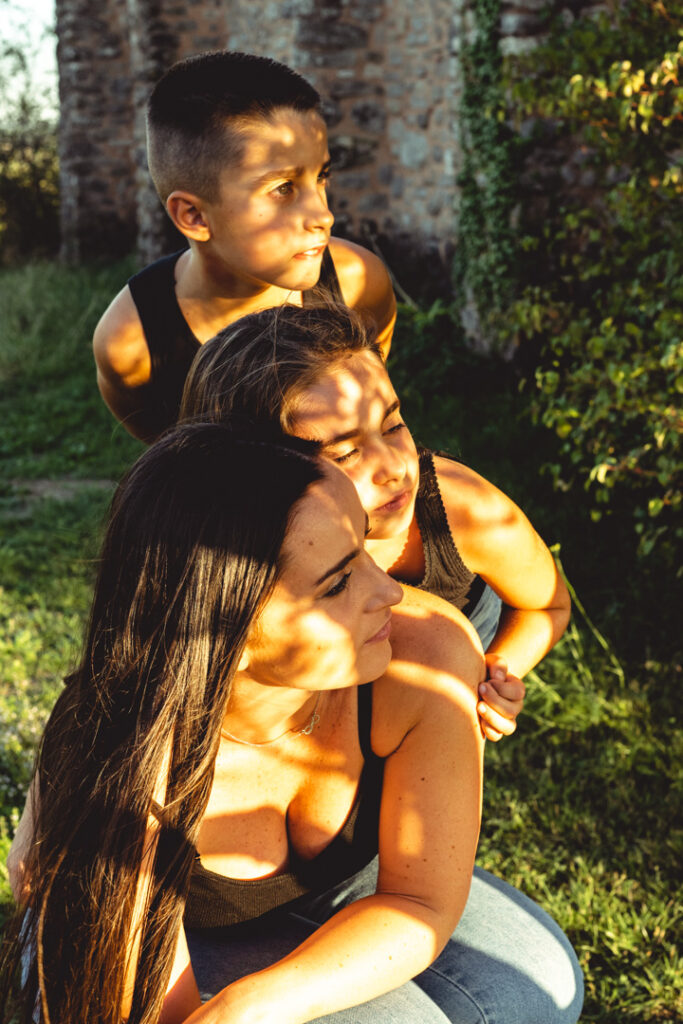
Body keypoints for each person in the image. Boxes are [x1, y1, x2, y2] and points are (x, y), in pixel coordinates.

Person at [2, 424, 583, 1023]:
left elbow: (419, 899)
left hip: (342, 894)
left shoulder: (426, 652)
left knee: (534, 992)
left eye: (363, 547)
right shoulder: (121, 745)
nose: (388, 591)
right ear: (223, 629)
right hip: (152, 936)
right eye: (336, 583)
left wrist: (252, 1003)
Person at [178, 303, 571, 738]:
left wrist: (489, 678)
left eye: (393, 425)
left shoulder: (464, 510)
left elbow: (547, 603)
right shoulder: (233, 561)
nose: (394, 468)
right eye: (345, 453)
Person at [92, 50, 397, 443]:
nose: (323, 215)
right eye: (283, 188)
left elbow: (371, 406)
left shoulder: (357, 283)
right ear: (194, 217)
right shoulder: (133, 345)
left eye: (321, 176)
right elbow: (172, 459)